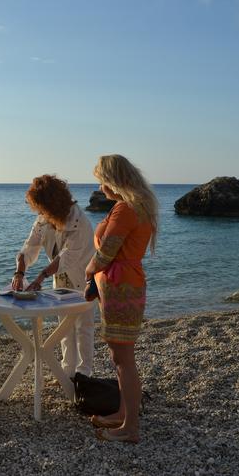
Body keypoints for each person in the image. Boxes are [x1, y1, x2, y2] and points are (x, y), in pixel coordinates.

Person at [84, 154, 158, 444]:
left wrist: (88, 270)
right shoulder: (137, 206)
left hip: (120, 286)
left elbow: (107, 252)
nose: (99, 187)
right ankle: (123, 413)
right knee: (121, 356)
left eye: (101, 181)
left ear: (112, 180)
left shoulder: (126, 209)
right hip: (124, 284)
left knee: (123, 359)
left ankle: (130, 428)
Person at [11, 174, 95, 378]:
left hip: (84, 279)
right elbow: (29, 247)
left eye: (41, 207)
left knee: (83, 328)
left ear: (52, 203)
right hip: (61, 280)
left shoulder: (79, 221)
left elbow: (67, 257)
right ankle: (68, 372)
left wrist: (40, 278)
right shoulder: (43, 219)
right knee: (64, 328)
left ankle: (84, 375)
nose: (39, 212)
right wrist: (19, 272)